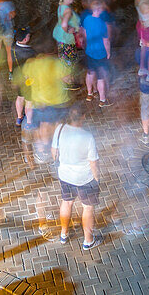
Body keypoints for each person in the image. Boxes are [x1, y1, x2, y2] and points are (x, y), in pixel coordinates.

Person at [52, 105, 101, 250]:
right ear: (83, 117)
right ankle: (88, 241)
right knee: (87, 207)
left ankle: (64, 234)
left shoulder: (59, 128)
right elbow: (93, 163)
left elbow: (54, 153)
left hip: (65, 175)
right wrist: (96, 178)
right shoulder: (87, 137)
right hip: (84, 178)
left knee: (66, 202)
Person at [81, 0, 112, 107]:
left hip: (90, 51)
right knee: (100, 77)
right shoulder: (101, 23)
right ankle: (102, 100)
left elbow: (84, 33)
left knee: (90, 72)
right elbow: (106, 40)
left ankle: (89, 94)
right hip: (100, 53)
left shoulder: (87, 19)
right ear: (98, 9)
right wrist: (108, 52)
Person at [52, 0, 81, 87]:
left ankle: (68, 80)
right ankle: (67, 82)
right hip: (67, 39)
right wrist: (69, 30)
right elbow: (64, 24)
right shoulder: (68, 10)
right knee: (69, 60)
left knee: (64, 59)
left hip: (61, 37)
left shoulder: (61, 6)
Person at [12, 27, 35, 127]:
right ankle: (29, 122)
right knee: (29, 101)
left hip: (17, 78)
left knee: (20, 97)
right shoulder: (30, 52)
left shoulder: (13, 47)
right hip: (28, 80)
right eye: (28, 36)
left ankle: (19, 117)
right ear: (25, 39)